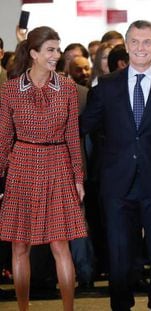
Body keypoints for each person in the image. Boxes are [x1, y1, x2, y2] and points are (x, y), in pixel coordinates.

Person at [80, 20, 151, 311]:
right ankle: (121, 305)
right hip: (116, 182)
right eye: (135, 42)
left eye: (147, 42)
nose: (141, 48)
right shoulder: (106, 86)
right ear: (127, 46)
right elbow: (85, 125)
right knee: (119, 253)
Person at [0, 26, 87, 311]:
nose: (57, 55)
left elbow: (74, 136)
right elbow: (2, 138)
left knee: (60, 244)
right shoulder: (10, 90)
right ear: (34, 53)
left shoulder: (68, 88)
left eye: (58, 49)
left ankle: (68, 309)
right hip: (21, 165)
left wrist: (78, 178)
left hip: (58, 164)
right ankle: (23, 308)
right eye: (50, 50)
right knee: (19, 245)